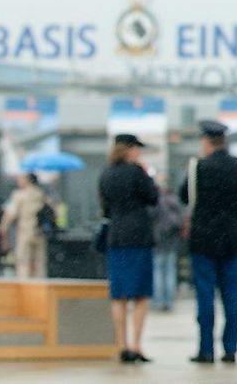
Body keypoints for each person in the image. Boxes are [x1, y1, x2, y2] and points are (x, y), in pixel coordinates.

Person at [180, 120, 237, 365]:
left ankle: (206, 349)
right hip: (230, 238)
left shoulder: (198, 167)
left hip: (203, 240)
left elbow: (185, 195)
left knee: (205, 296)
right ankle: (230, 348)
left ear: (205, 141)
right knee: (231, 297)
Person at [99, 133, 159, 364]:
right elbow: (152, 198)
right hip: (139, 237)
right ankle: (136, 344)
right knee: (141, 294)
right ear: (129, 150)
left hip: (116, 237)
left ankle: (121, 344)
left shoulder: (106, 174)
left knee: (119, 294)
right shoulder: (137, 172)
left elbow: (105, 209)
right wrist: (147, 175)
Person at [0, 172, 51, 279]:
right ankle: (40, 289)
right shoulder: (41, 194)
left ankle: (23, 289)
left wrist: (3, 227)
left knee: (23, 263)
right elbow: (54, 212)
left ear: (27, 180)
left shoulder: (19, 194)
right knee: (39, 264)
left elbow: (11, 213)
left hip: (25, 232)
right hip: (39, 233)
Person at [152, 172, 183, 312]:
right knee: (170, 269)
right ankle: (169, 300)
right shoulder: (174, 201)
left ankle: (158, 300)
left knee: (158, 269)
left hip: (159, 238)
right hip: (172, 239)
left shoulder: (157, 201)